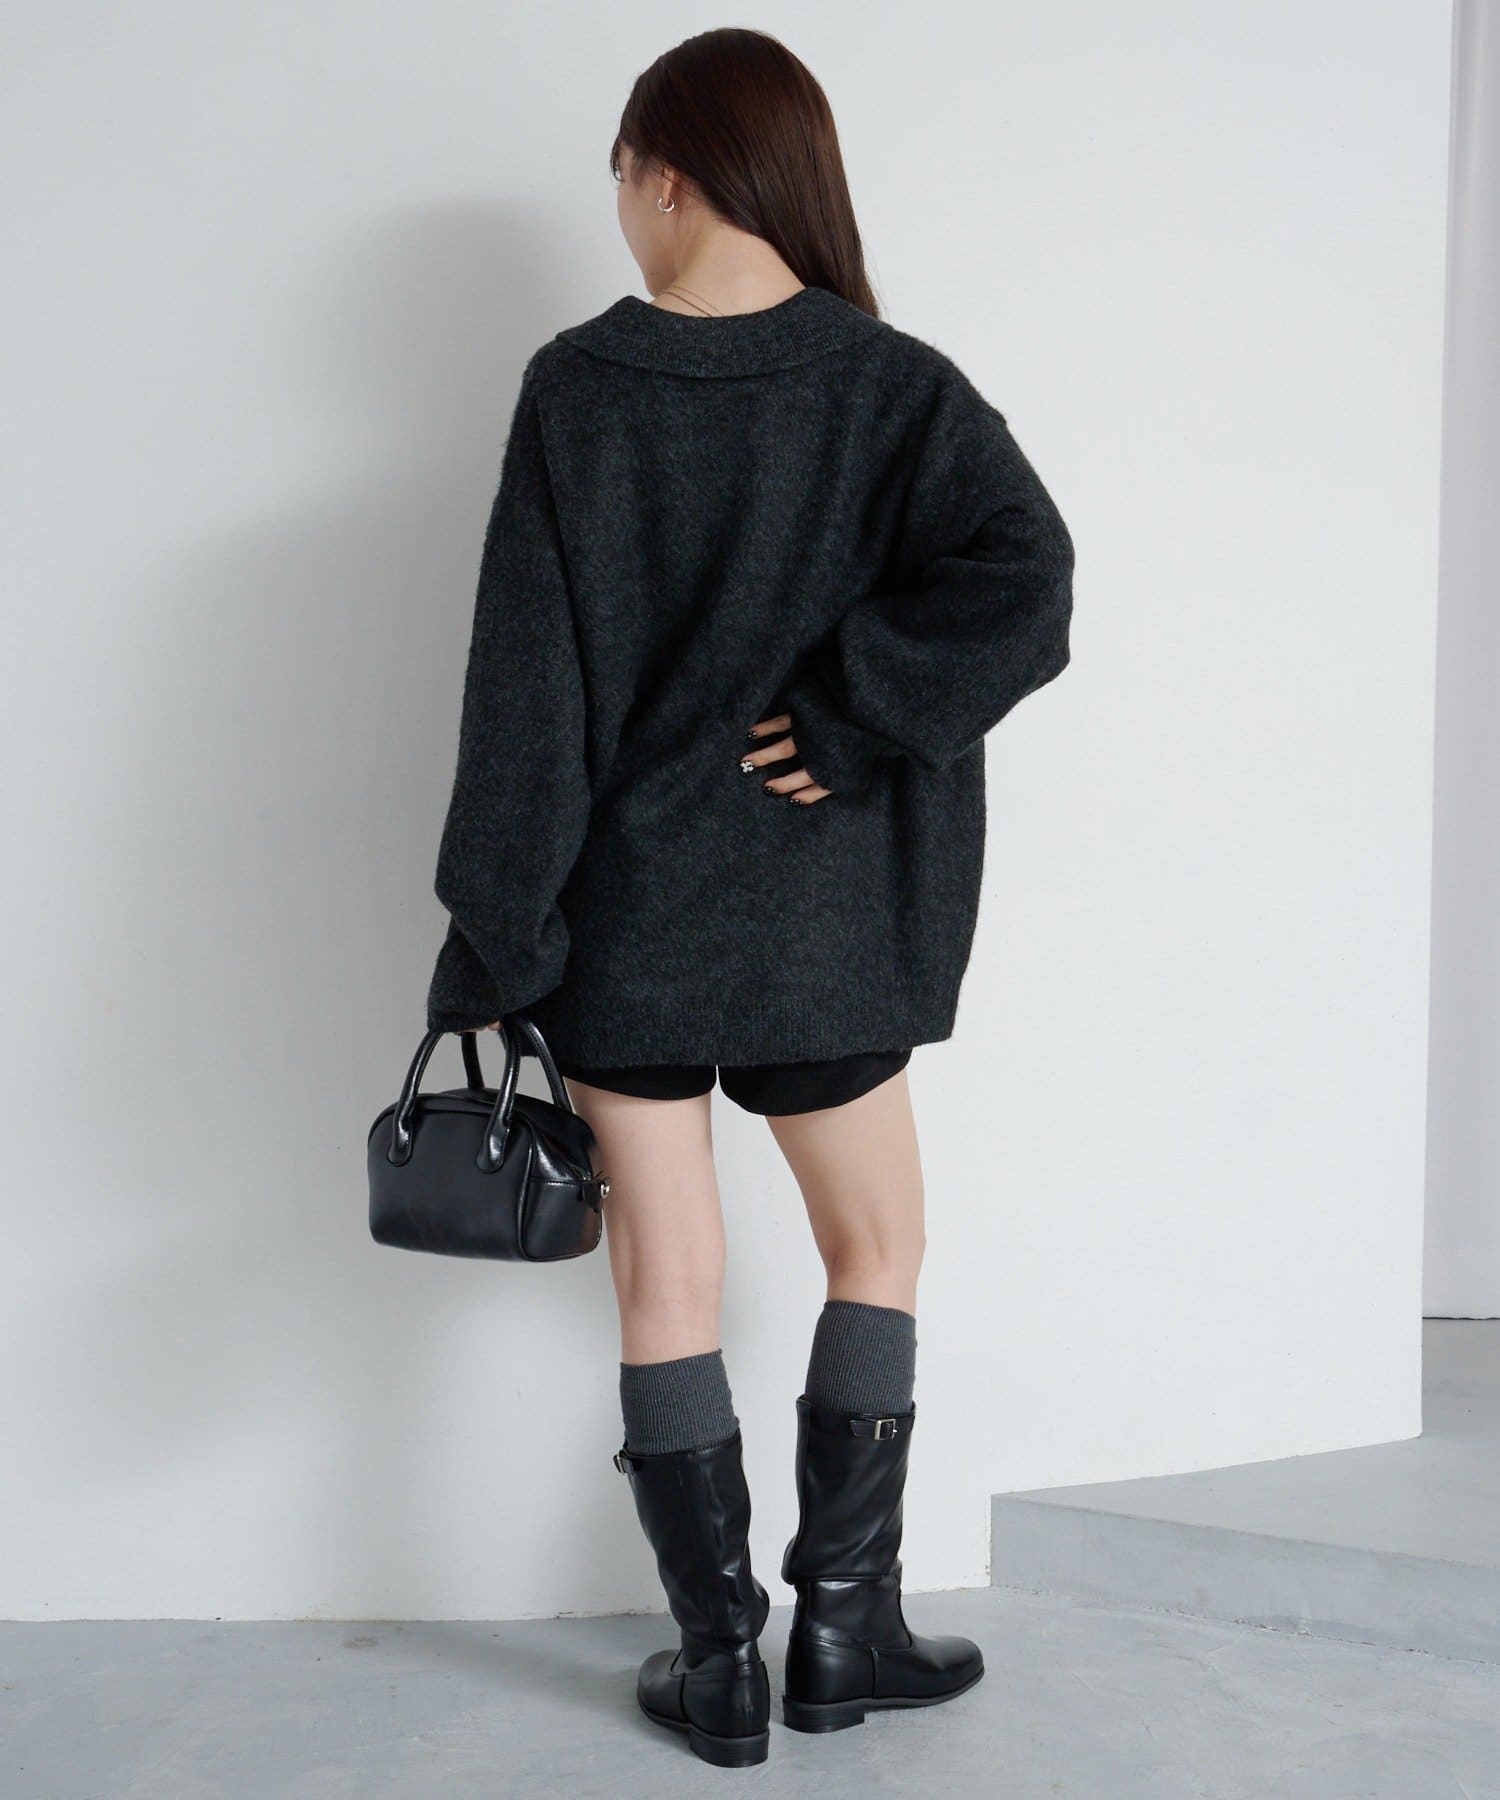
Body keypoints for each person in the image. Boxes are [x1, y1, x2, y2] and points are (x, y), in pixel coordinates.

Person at [424, 26, 1074, 1771]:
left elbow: (525, 694)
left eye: (621, 179)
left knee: (668, 1287)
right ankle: (844, 1633)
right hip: (824, 925)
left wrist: (495, 937)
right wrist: (857, 714)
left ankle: (722, 1665)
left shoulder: (578, 389)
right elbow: (1029, 582)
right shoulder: (893, 385)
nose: (621, 213)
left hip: (630, 924)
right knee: (880, 1250)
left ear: (667, 171)